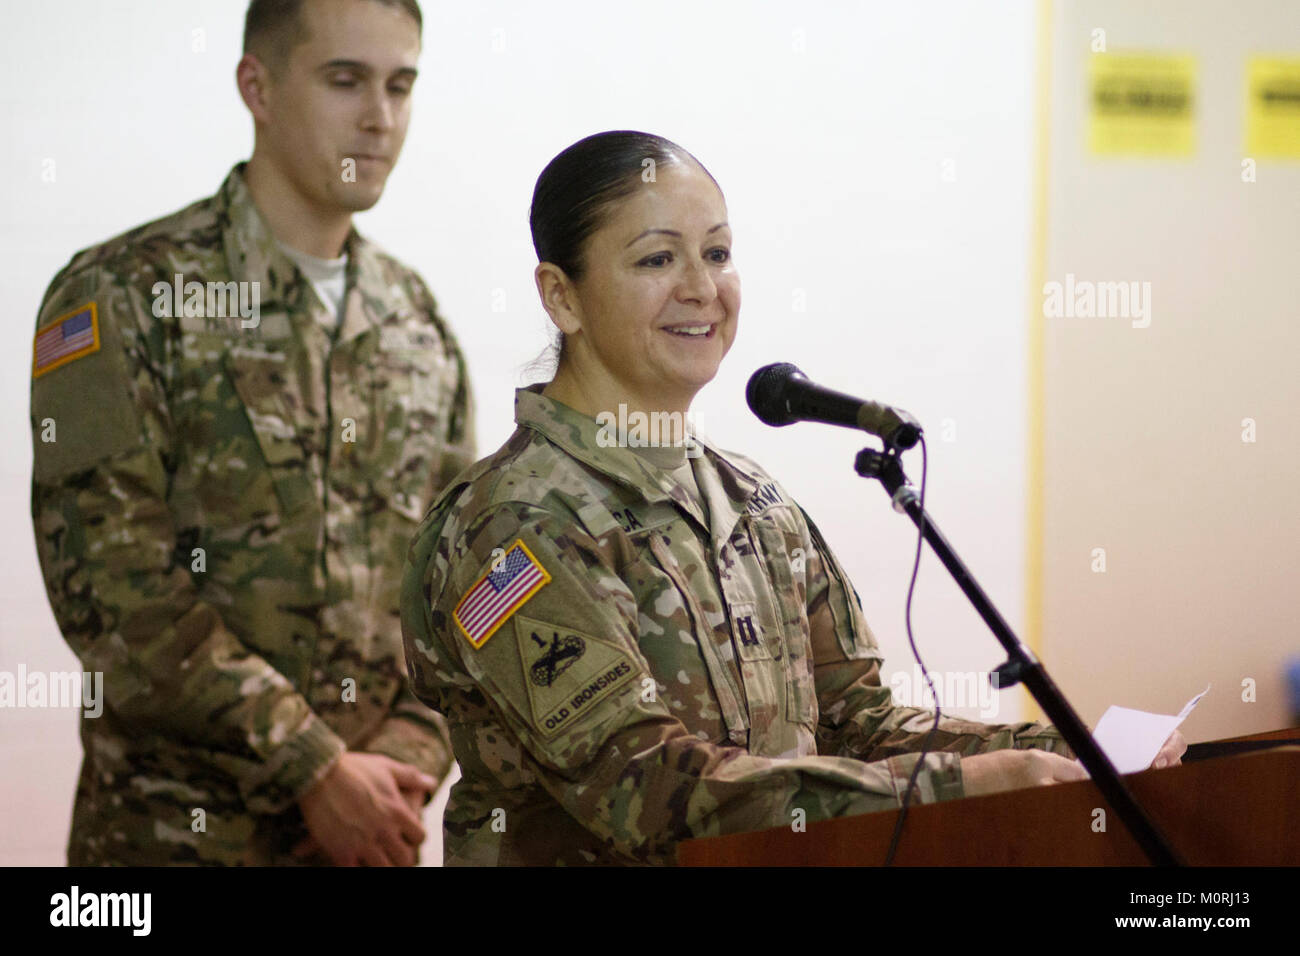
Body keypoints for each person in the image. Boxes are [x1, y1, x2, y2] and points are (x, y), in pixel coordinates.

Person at [400, 130, 1184, 866]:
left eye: (718, 252)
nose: (703, 288)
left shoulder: (754, 501)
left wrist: (1064, 756)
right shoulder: (509, 529)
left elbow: (862, 727)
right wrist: (962, 787)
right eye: (656, 260)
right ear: (561, 296)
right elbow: (648, 793)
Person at [29, 0, 474, 866]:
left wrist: (400, 763)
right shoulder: (120, 293)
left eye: (400, 84)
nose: (379, 118)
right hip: (169, 845)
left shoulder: (416, 324)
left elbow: (453, 593)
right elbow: (114, 595)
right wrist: (314, 768)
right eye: (345, 81)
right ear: (257, 87)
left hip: (366, 843)